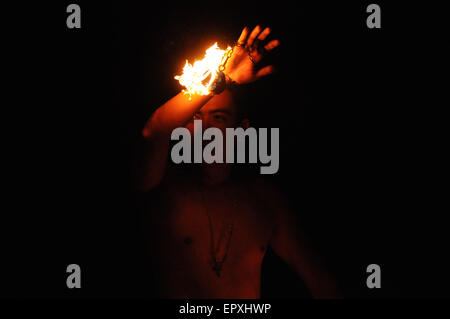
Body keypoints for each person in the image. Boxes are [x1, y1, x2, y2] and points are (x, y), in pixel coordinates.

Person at [138, 25, 341, 298]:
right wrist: (222, 80)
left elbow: (321, 282)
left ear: (240, 129)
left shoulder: (263, 198)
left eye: (219, 118)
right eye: (195, 117)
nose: (206, 127)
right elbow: (154, 131)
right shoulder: (161, 188)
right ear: (181, 127)